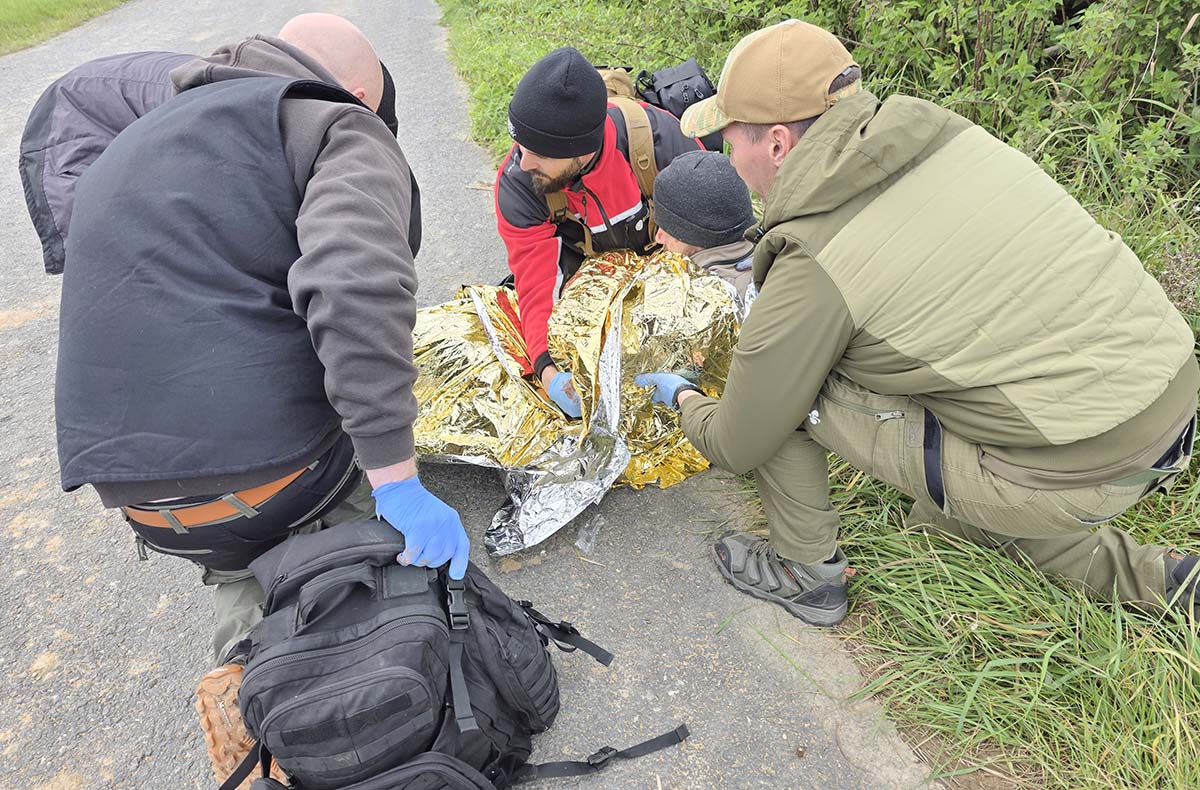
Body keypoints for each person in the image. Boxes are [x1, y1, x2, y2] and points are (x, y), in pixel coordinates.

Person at [637, 19, 1199, 627]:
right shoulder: (946, 137)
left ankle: (806, 574)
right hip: (1167, 401)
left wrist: (687, 396)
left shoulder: (814, 253)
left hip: (1074, 462)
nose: (726, 157)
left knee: (783, 386)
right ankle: (1161, 579)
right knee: (955, 514)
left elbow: (739, 441)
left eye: (729, 140)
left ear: (776, 143)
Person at [51, 13, 467, 784]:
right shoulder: (336, 121)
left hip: (141, 500)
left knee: (244, 545)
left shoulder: (140, 135)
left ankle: (250, 670)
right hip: (267, 477)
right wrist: (397, 481)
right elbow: (352, 285)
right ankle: (336, 704)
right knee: (348, 529)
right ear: (361, 92)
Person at [494, 46, 701, 418]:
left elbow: (714, 243)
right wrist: (547, 369)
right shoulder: (519, 182)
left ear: (579, 150)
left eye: (538, 152)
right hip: (586, 281)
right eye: (520, 145)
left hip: (666, 268)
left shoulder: (662, 142)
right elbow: (536, 283)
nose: (524, 163)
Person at [651, 149, 757, 307]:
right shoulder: (776, 256)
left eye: (668, 229)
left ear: (695, 235)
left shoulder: (700, 303)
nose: (658, 237)